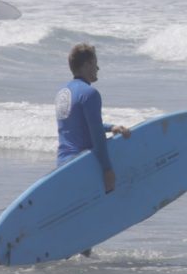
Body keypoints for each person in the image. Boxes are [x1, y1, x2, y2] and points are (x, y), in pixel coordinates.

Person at [57, 42, 132, 199]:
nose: (98, 69)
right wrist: (107, 170)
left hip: (62, 167)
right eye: (95, 64)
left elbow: (79, 124)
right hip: (84, 166)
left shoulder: (63, 93)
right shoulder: (89, 93)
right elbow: (97, 136)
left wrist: (111, 127)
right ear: (88, 64)